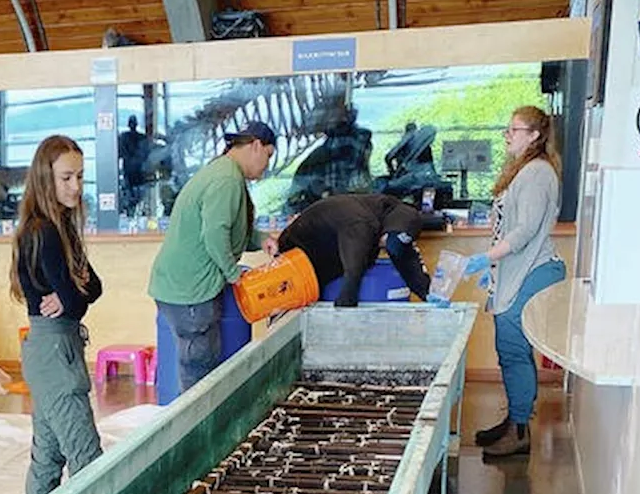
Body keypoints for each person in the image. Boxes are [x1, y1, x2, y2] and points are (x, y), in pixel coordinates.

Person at [149, 122, 276, 395]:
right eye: (268, 154)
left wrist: (261, 239)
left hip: (180, 286)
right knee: (199, 373)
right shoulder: (226, 179)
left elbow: (228, 226)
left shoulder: (222, 171)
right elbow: (215, 234)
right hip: (191, 293)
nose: (266, 166)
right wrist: (233, 273)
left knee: (199, 366)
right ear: (255, 145)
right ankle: (195, 434)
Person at [11, 134, 103, 494]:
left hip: (60, 347)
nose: (76, 186)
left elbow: (93, 288)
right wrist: (72, 294)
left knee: (49, 455)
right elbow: (77, 300)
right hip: (52, 351)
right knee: (87, 458)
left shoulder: (63, 226)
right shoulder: (42, 232)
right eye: (66, 178)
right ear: (44, 178)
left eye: (80, 177)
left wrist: (72, 294)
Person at [471, 106, 565, 460]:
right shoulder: (525, 170)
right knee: (510, 349)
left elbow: (524, 231)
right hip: (518, 269)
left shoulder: (537, 173)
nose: (507, 135)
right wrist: (493, 267)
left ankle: (520, 431)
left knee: (513, 349)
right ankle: (514, 419)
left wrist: (488, 258)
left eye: (514, 129)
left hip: (532, 270)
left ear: (535, 135)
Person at [272, 192, 432, 307]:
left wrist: (429, 296)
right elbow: (352, 275)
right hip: (296, 256)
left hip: (324, 257)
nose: (383, 247)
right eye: (385, 242)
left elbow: (404, 257)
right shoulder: (361, 224)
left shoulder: (388, 216)